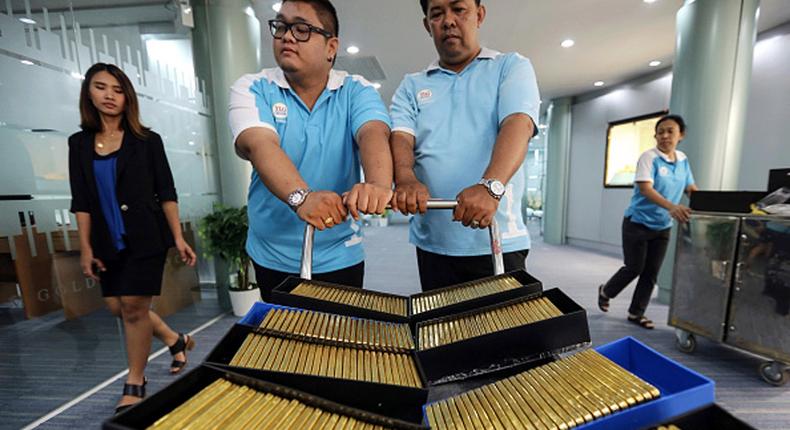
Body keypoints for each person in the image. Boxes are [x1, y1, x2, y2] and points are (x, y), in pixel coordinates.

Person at [229, 0, 393, 300]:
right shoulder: (253, 87)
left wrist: (377, 185)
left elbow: (373, 133)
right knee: (286, 341)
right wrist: (301, 197)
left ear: (331, 47)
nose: (287, 36)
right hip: (273, 253)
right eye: (281, 26)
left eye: (302, 29)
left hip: (340, 251)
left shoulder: (357, 90)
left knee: (340, 340)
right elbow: (259, 144)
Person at [68, 63, 197, 413]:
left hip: (144, 237)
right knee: (117, 306)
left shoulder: (147, 141)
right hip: (106, 240)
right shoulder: (78, 144)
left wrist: (178, 237)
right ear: (88, 94)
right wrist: (86, 247)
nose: (109, 95)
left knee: (134, 309)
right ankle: (175, 339)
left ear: (128, 97)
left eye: (118, 89)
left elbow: (166, 192)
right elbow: (80, 200)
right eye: (100, 87)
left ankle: (135, 380)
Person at [389, 0, 540, 291]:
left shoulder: (510, 67)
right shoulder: (411, 85)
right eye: (437, 14)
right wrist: (405, 178)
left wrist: (490, 186)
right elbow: (401, 137)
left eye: (459, 9)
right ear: (427, 25)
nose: (448, 21)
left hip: (497, 239)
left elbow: (518, 123)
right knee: (442, 331)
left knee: (501, 335)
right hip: (434, 243)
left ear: (479, 15)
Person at [598, 114, 698, 329]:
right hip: (638, 223)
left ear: (681, 135)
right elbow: (646, 188)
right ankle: (606, 291)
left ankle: (636, 313)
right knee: (634, 267)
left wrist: (706, 206)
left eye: (670, 131)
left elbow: (691, 189)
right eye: (660, 131)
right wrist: (672, 206)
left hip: (663, 226)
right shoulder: (649, 157)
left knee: (651, 272)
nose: (664, 136)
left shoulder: (682, 160)